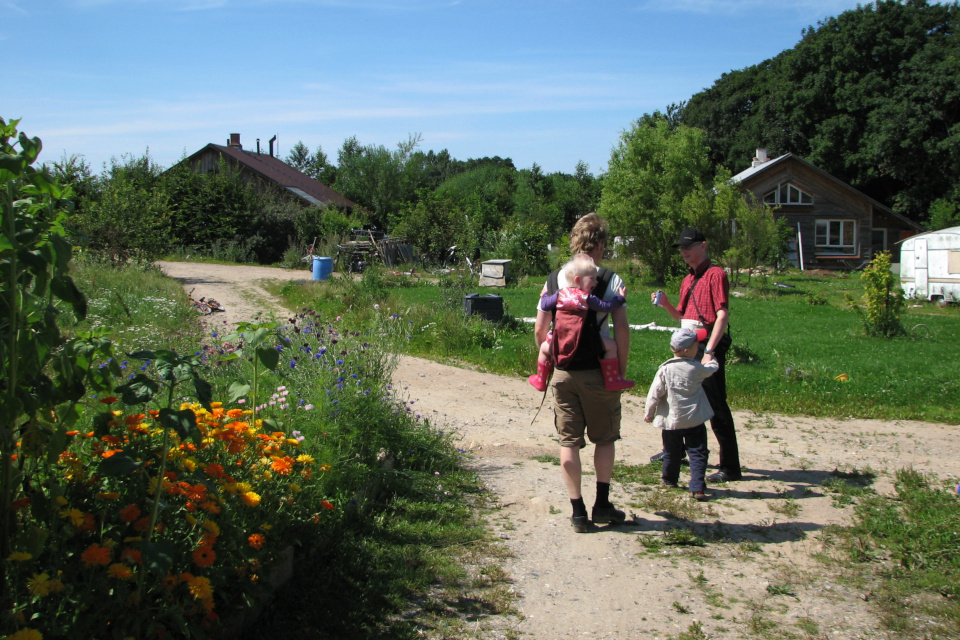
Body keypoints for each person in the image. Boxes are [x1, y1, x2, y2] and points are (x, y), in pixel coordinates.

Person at [534, 213, 630, 533]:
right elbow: (622, 331)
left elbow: (539, 330)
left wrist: (550, 360)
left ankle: (577, 512)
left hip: (563, 372)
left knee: (568, 441)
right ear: (600, 244)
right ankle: (602, 504)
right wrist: (619, 371)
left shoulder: (552, 280)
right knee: (604, 438)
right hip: (599, 371)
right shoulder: (609, 279)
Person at [650, 227, 742, 483]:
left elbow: (722, 315)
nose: (684, 252)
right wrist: (666, 303)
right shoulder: (687, 280)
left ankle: (730, 467)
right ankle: (676, 452)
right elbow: (682, 317)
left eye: (688, 247)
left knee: (715, 403)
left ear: (703, 245)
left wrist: (709, 352)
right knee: (679, 398)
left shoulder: (716, 274)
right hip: (688, 345)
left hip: (707, 345)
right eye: (682, 249)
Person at [529, 255, 633, 392]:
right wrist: (620, 298)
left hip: (559, 339)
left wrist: (545, 295)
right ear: (578, 280)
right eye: (592, 279)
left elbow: (545, 305)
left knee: (543, 347)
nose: (596, 282)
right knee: (611, 346)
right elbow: (606, 307)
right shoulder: (586, 297)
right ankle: (612, 379)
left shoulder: (560, 294)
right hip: (583, 340)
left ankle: (541, 379)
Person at [644, 328, 717, 500]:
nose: (698, 348)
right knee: (698, 453)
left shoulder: (665, 370)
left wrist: (649, 413)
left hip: (672, 420)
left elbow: (654, 393)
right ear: (686, 350)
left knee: (671, 451)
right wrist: (711, 358)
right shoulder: (697, 368)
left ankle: (669, 480)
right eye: (696, 346)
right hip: (695, 420)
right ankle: (698, 487)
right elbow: (712, 368)